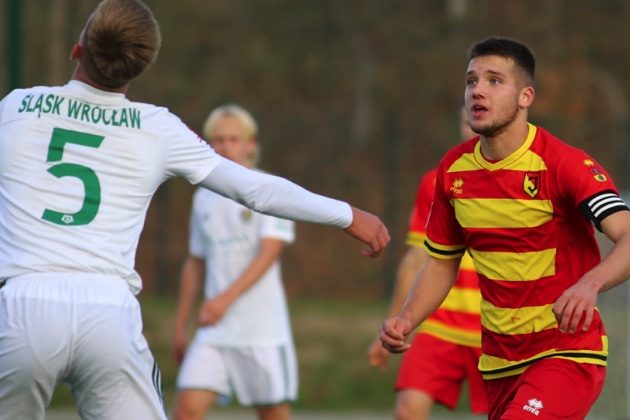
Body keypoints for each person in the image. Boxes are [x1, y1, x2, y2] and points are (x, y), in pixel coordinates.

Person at [0, 1, 390, 419]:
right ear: (139, 67)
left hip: (23, 305)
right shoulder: (156, 128)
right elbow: (254, 189)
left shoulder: (17, 108)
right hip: (108, 312)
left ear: (78, 49)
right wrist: (347, 214)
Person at [380, 36, 630, 419]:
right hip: (498, 361)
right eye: (471, 80)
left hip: (565, 353)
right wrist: (407, 318)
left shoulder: (564, 164)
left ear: (525, 96)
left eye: (494, 80)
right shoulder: (453, 170)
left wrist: (589, 284)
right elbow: (443, 262)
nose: (478, 90)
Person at [171, 105, 298, 420]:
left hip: (261, 330)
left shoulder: (270, 187)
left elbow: (269, 252)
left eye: (233, 139)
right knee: (185, 412)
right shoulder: (204, 195)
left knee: (273, 414)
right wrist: (180, 324)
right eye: (219, 139)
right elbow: (195, 262)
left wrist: (223, 301)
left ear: (250, 144)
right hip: (214, 332)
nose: (225, 146)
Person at [367, 107, 487, 419]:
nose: (474, 129)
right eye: (467, 121)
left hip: (496, 328)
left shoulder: (523, 180)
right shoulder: (437, 182)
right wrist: (395, 323)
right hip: (439, 324)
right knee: (408, 411)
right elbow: (416, 260)